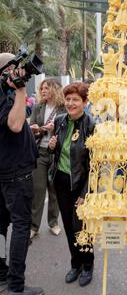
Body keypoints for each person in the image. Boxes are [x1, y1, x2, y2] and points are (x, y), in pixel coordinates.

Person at [0, 52, 44, 295]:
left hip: (6, 170)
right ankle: (16, 287)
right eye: (16, 69)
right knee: (20, 226)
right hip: (16, 173)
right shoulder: (8, 93)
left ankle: (2, 271)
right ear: (6, 71)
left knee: (1, 225)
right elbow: (16, 125)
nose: (21, 73)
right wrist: (18, 91)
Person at [48, 82, 95, 286]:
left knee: (81, 227)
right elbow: (57, 151)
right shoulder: (60, 120)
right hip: (61, 181)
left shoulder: (91, 125)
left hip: (81, 184)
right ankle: (75, 264)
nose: (70, 103)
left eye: (75, 99)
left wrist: (86, 193)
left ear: (85, 102)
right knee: (68, 225)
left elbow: (95, 165)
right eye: (68, 99)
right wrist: (51, 148)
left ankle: (87, 264)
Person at [30, 78, 65, 239]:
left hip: (56, 154)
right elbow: (32, 129)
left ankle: (53, 222)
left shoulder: (63, 108)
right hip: (40, 153)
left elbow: (68, 130)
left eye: (46, 88)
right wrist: (37, 128)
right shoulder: (38, 107)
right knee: (38, 190)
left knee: (54, 189)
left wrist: (55, 127)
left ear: (55, 89)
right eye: (41, 88)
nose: (43, 91)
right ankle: (34, 226)